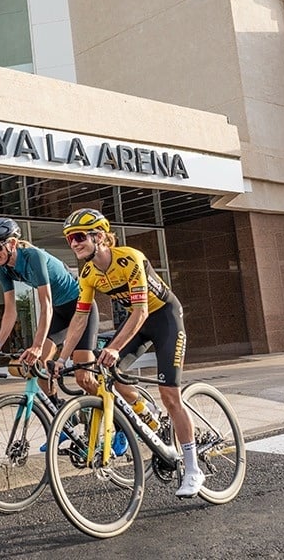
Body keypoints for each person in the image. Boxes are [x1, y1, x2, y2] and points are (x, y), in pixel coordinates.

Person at [54, 207, 206, 498]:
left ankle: (193, 468)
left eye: (79, 237)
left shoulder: (130, 258)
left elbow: (141, 310)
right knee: (108, 373)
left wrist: (113, 346)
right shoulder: (88, 273)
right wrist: (62, 358)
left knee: (170, 395)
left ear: (100, 236)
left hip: (164, 319)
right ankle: (147, 418)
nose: (73, 244)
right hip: (136, 323)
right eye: (69, 239)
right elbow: (80, 318)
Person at [0, 217, 99, 400]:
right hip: (60, 312)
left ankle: (112, 411)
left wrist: (37, 345)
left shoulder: (34, 256)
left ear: (12, 243)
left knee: (83, 378)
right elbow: (10, 311)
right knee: (40, 366)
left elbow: (46, 304)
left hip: (81, 308)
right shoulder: (4, 269)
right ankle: (61, 414)